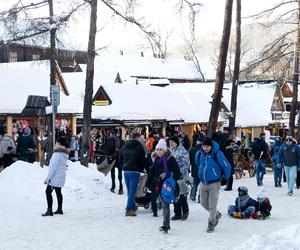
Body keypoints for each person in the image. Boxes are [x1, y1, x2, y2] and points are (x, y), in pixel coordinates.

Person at [195, 137, 231, 233]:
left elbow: (227, 166)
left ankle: (211, 223)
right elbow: (197, 164)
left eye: (207, 146)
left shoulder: (218, 154)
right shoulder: (200, 154)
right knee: (203, 203)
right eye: (204, 146)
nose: (205, 148)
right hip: (203, 182)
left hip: (214, 183)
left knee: (212, 205)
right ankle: (216, 214)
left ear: (211, 146)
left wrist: (225, 178)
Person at [149, 139, 181, 233]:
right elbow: (152, 172)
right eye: (157, 149)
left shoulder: (170, 159)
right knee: (165, 205)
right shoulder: (157, 160)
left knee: (165, 205)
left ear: (165, 150)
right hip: (160, 186)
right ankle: (166, 224)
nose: (159, 151)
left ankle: (165, 225)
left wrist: (168, 175)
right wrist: (147, 184)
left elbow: (177, 173)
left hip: (169, 186)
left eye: (161, 149)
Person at [119, 130, 146, 216]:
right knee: (132, 191)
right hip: (135, 171)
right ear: (137, 137)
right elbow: (142, 160)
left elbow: (120, 157)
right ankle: (129, 209)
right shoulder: (139, 146)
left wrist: (123, 166)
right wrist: (142, 169)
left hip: (126, 171)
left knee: (129, 190)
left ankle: (132, 205)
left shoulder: (124, 146)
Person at [42, 138, 69, 216]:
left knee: (48, 192)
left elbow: (53, 167)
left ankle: (49, 210)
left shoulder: (57, 154)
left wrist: (49, 178)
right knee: (58, 191)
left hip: (55, 177)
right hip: (60, 176)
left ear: (59, 144)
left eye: (57, 142)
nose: (55, 144)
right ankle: (60, 209)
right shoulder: (64, 154)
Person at [169, 135, 190, 221]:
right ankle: (177, 213)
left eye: (172, 142)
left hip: (180, 176)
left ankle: (185, 211)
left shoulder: (182, 151)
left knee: (181, 194)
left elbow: (186, 164)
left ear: (177, 142)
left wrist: (180, 173)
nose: (171, 144)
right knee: (174, 194)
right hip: (172, 176)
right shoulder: (170, 151)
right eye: (170, 142)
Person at [100, 130, 124, 194]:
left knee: (112, 173)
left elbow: (103, 148)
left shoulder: (109, 140)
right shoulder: (121, 141)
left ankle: (113, 187)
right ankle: (121, 187)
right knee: (120, 173)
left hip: (111, 158)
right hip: (119, 158)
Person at [189, 133, 202, 201]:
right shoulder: (204, 150)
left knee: (195, 183)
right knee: (202, 185)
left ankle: (193, 195)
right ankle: (200, 198)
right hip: (202, 170)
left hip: (194, 169)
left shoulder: (192, 149)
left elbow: (190, 161)